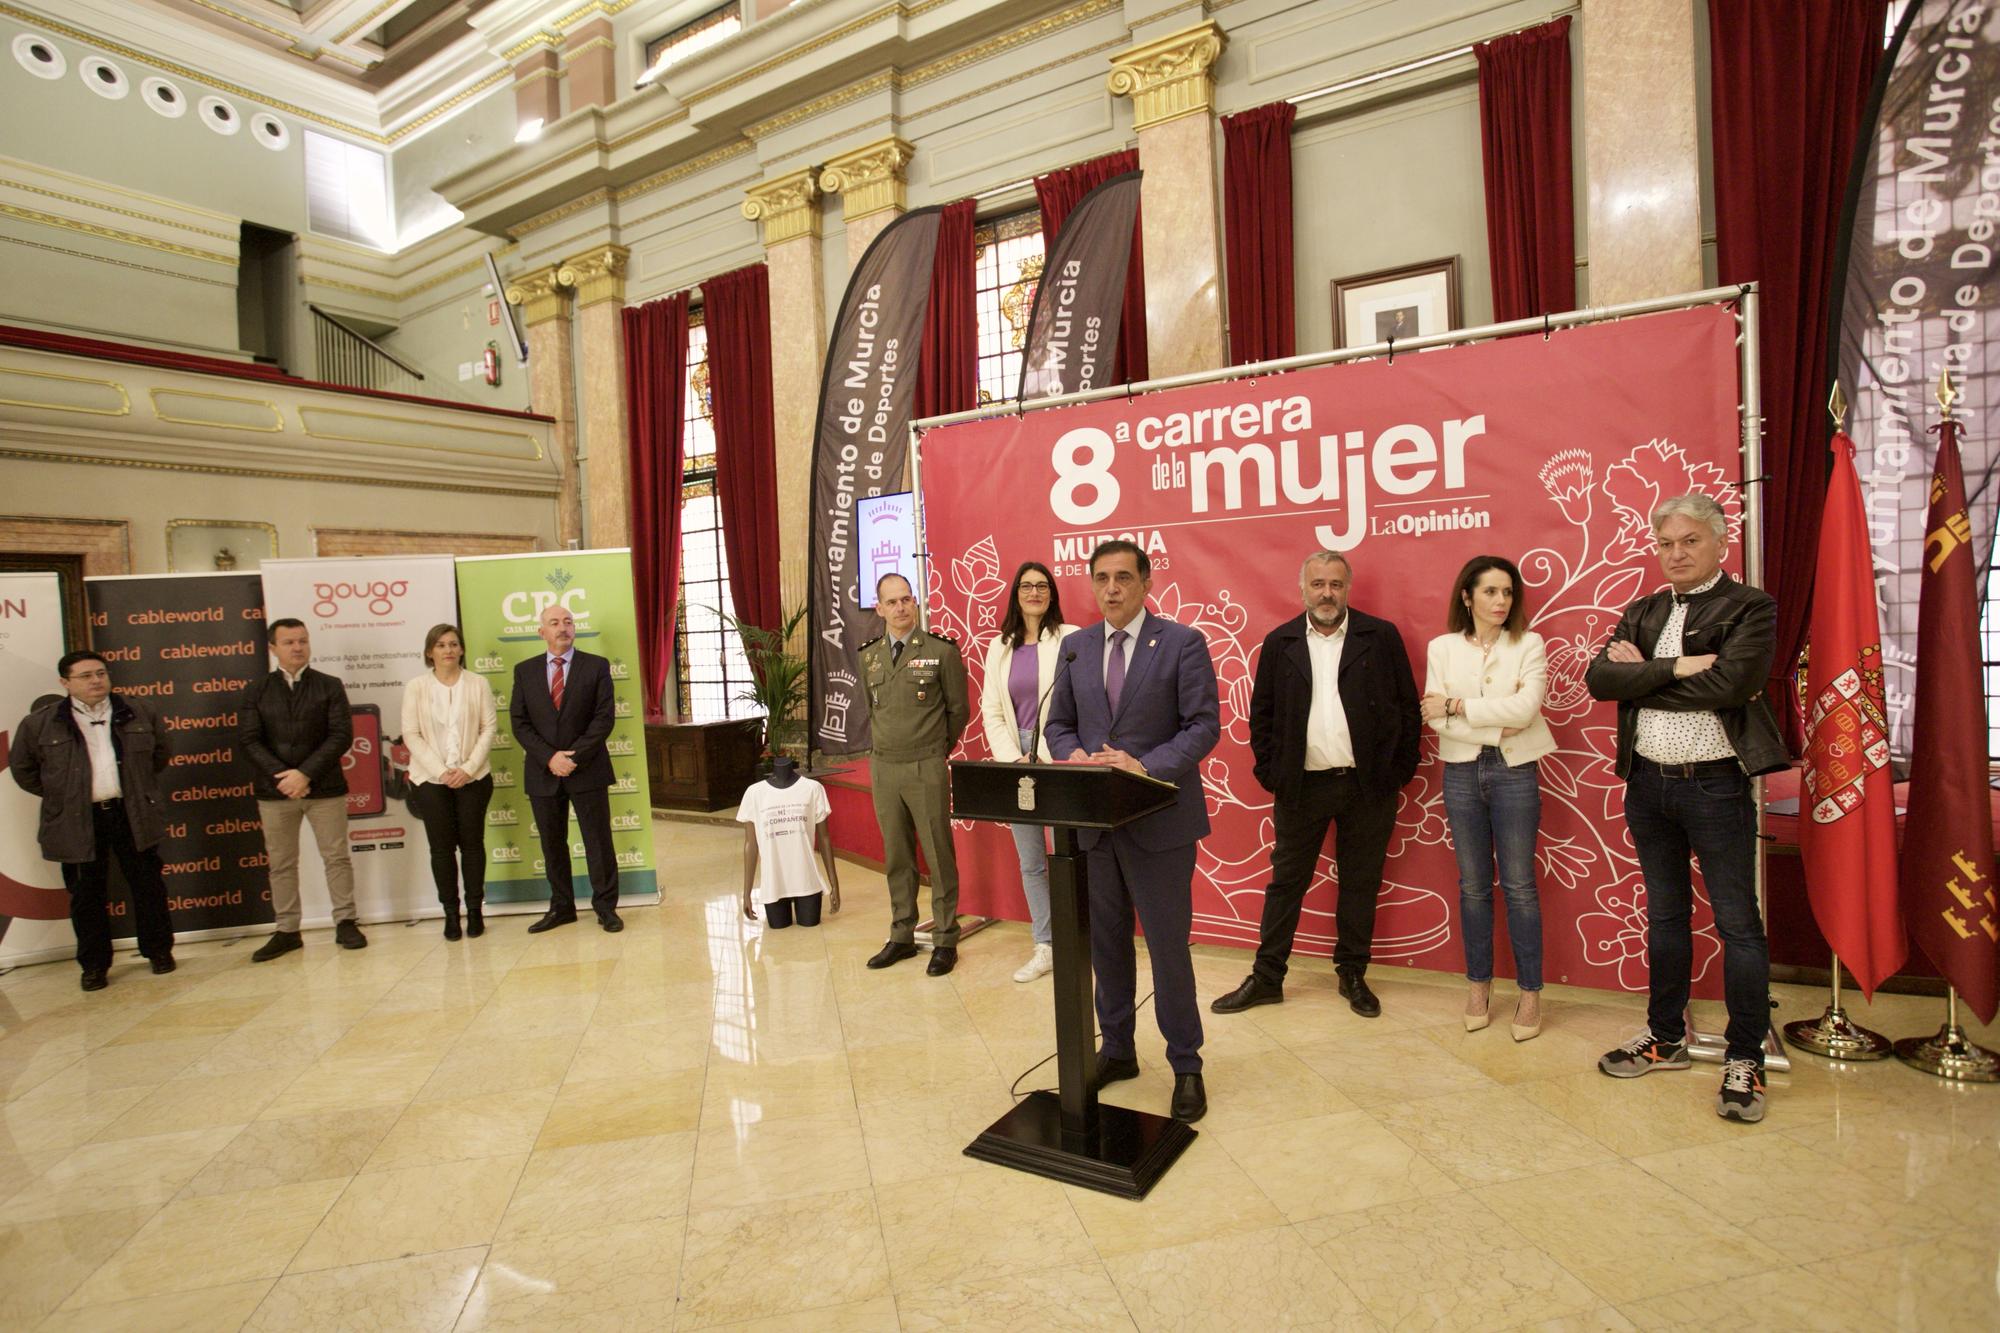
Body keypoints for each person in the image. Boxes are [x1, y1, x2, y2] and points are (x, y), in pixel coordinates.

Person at [1586, 493, 1787, 1123]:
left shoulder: (1750, 606)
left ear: (1720, 542)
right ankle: (1665, 1037)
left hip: (1716, 785)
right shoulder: (1642, 608)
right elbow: (1600, 682)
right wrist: (1675, 667)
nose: (1676, 553)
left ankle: (1744, 1059)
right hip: (1647, 784)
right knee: (1666, 917)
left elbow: (1731, 684)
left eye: (1689, 541)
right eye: (1666, 543)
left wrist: (1645, 675)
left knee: (1737, 925)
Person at [1045, 539, 1220, 1123]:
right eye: (1102, 578)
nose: (1112, 588)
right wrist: (1075, 758)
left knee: (1169, 950)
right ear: (1092, 586)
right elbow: (1059, 724)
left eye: (1123, 577)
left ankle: (1186, 1064)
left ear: (1145, 582)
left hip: (1160, 825)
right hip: (1096, 828)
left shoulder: (1181, 643)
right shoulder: (1075, 648)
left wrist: (1141, 766)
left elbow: (1202, 727)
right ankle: (1117, 1050)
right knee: (1107, 946)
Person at [1212, 551, 1420, 1020]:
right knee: (1286, 883)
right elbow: (1259, 716)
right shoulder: (1280, 640)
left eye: (1336, 584)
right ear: (1302, 588)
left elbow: (1408, 708)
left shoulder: (1380, 637)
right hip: (1301, 788)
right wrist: (1273, 773)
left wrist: (1398, 772)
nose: (1327, 593)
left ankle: (1352, 973)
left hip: (1368, 787)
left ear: (1349, 588)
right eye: (1318, 584)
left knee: (1360, 883)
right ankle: (1267, 977)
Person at [1421, 556, 1558, 1041]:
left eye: (1507, 592)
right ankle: (1478, 987)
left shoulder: (1530, 644)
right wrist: (1495, 723)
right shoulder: (1442, 647)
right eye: (1490, 592)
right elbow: (1432, 718)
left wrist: (1460, 706)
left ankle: (1530, 994)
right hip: (1459, 771)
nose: (1501, 601)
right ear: (1467, 597)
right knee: (1473, 885)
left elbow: (1527, 708)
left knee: (1519, 884)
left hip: (1516, 769)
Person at [8, 651, 176, 990]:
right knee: (86, 895)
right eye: (85, 676)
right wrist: (66, 795)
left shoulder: (138, 712)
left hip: (132, 814)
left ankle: (158, 952)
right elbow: (24, 770)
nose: (96, 680)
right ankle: (94, 965)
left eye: (101, 673)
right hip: (77, 819)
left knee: (147, 885)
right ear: (64, 683)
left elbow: (160, 755)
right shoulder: (40, 723)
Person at [859, 572, 969, 975]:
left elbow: (959, 711)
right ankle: (902, 934)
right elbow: (873, 710)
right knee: (897, 855)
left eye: (907, 599)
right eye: (892, 602)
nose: (901, 607)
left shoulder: (941, 651)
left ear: (915, 602)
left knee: (939, 853)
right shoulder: (868, 655)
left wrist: (937, 750)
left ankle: (945, 938)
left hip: (926, 763)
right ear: (880, 608)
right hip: (884, 764)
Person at [978, 560, 1079, 983]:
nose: (1034, 592)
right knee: (1031, 860)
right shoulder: (999, 646)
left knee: (1066, 854)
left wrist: (1047, 753)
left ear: (1052, 594)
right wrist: (1012, 757)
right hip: (1015, 759)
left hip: (1056, 755)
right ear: (1016, 594)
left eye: (1042, 586)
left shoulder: (1071, 639)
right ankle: (1046, 945)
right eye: (1026, 586)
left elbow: (1076, 703)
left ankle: (1077, 939)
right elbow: (992, 709)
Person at [240, 618, 363, 961]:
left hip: (325, 788)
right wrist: (285, 776)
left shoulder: (329, 685)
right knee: (281, 863)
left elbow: (341, 735)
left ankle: (346, 922)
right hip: (275, 791)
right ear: (273, 648)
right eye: (289, 642)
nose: (297, 647)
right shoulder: (258, 690)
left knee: (336, 857)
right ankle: (287, 930)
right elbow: (249, 739)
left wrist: (305, 774)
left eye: (302, 641)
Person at [511, 602, 622, 933]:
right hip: (543, 772)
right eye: (555, 622)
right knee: (552, 844)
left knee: (597, 841)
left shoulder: (596, 666)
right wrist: (550, 757)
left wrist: (573, 757)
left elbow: (604, 718)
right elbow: (519, 722)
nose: (563, 627)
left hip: (587, 769)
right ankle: (562, 908)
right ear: (541, 631)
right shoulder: (525, 670)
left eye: (568, 621)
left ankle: (606, 908)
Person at [402, 622, 497, 941]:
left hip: (474, 778)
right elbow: (411, 734)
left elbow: (488, 729)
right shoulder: (416, 687)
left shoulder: (477, 683)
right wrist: (441, 771)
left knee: (472, 846)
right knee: (441, 850)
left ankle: (474, 911)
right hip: (430, 781)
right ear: (430, 652)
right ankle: (450, 914)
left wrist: (467, 769)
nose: (448, 650)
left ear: (462, 649)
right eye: (441, 645)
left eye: (454, 644)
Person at [738, 757, 841, 928]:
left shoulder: (812, 789)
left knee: (810, 929)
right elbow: (751, 844)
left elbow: (824, 838)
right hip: (774, 882)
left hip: (807, 879)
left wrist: (834, 884)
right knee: (779, 929)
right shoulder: (754, 793)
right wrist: (746, 893)